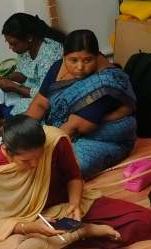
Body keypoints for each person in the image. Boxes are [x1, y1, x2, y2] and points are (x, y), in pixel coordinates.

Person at [0, 116, 151, 249]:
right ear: (7, 151)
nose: (35, 165)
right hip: (23, 222)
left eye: (39, 157)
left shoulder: (54, 141)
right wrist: (30, 227)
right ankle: (82, 233)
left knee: (144, 220)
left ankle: (55, 245)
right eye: (26, 161)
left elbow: (74, 176)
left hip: (63, 207)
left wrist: (74, 204)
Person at [26, 30, 137, 179]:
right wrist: (22, 132)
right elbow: (40, 103)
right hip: (60, 128)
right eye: (73, 60)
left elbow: (74, 128)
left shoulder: (104, 83)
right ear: (64, 56)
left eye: (87, 60)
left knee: (61, 169)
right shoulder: (58, 66)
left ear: (97, 56)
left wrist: (35, 152)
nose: (79, 67)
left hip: (97, 138)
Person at [0, 13, 64, 117]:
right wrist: (6, 78)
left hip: (45, 97)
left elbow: (46, 93)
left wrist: (16, 88)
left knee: (16, 115)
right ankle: (4, 115)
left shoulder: (51, 53)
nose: (10, 48)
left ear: (29, 38)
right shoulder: (26, 48)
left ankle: (7, 117)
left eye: (14, 44)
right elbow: (22, 73)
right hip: (26, 90)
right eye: (8, 43)